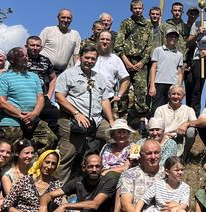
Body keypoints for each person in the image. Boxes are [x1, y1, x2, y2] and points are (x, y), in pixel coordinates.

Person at [54, 45, 115, 181]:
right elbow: (59, 97)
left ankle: (110, 175)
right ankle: (57, 190)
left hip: (96, 120)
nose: (90, 61)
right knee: (68, 154)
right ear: (81, 57)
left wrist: (111, 121)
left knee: (117, 137)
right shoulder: (68, 74)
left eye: (93, 59)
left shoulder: (99, 78)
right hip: (73, 119)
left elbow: (105, 100)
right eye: (87, 57)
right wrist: (76, 113)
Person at [0, 47, 51, 149]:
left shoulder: (34, 76)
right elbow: (0, 102)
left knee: (50, 139)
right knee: (10, 152)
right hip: (12, 122)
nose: (26, 58)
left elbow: (41, 98)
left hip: (34, 120)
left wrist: (34, 114)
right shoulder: (3, 77)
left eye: (26, 56)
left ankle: (32, 162)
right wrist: (21, 116)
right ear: (12, 60)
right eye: (21, 56)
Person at [115, 0, 156, 126]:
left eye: (140, 8)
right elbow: (118, 44)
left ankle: (141, 120)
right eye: (135, 8)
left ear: (143, 9)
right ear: (131, 9)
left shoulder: (148, 25)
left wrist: (142, 62)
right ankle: (121, 117)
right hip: (126, 60)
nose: (138, 10)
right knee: (123, 90)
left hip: (140, 63)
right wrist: (126, 61)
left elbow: (150, 46)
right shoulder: (126, 23)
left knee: (141, 92)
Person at [150, 84, 197, 161]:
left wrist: (187, 124)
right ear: (169, 95)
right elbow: (155, 126)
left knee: (191, 131)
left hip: (180, 137)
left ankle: (185, 155)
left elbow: (196, 122)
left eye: (178, 94)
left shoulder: (188, 110)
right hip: (164, 137)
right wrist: (163, 134)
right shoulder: (160, 109)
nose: (176, 97)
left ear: (183, 96)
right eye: (173, 94)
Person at [25, 36, 59, 133]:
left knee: (54, 114)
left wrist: (49, 94)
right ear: (26, 46)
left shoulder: (45, 60)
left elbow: (53, 78)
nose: (35, 48)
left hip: (41, 97)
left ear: (41, 47)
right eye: (32, 45)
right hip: (25, 97)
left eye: (38, 46)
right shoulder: (20, 59)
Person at [93, 30, 130, 114]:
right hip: (87, 98)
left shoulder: (115, 59)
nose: (105, 42)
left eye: (107, 39)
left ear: (111, 42)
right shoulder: (89, 56)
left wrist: (119, 95)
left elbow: (126, 78)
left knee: (106, 125)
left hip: (108, 99)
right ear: (97, 40)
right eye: (102, 39)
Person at [147, 27, 184, 110]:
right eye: (171, 36)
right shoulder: (158, 50)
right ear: (166, 37)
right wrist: (152, 85)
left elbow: (179, 72)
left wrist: (179, 86)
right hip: (159, 82)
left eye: (175, 37)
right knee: (156, 108)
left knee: (171, 108)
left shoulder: (179, 55)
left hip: (172, 85)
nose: (173, 38)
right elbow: (153, 68)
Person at [39, 8, 81, 74]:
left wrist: (78, 71)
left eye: (68, 18)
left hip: (62, 73)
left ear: (72, 20)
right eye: (63, 17)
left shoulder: (75, 34)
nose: (66, 20)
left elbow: (76, 56)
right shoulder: (48, 30)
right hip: (44, 69)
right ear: (58, 18)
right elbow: (38, 48)